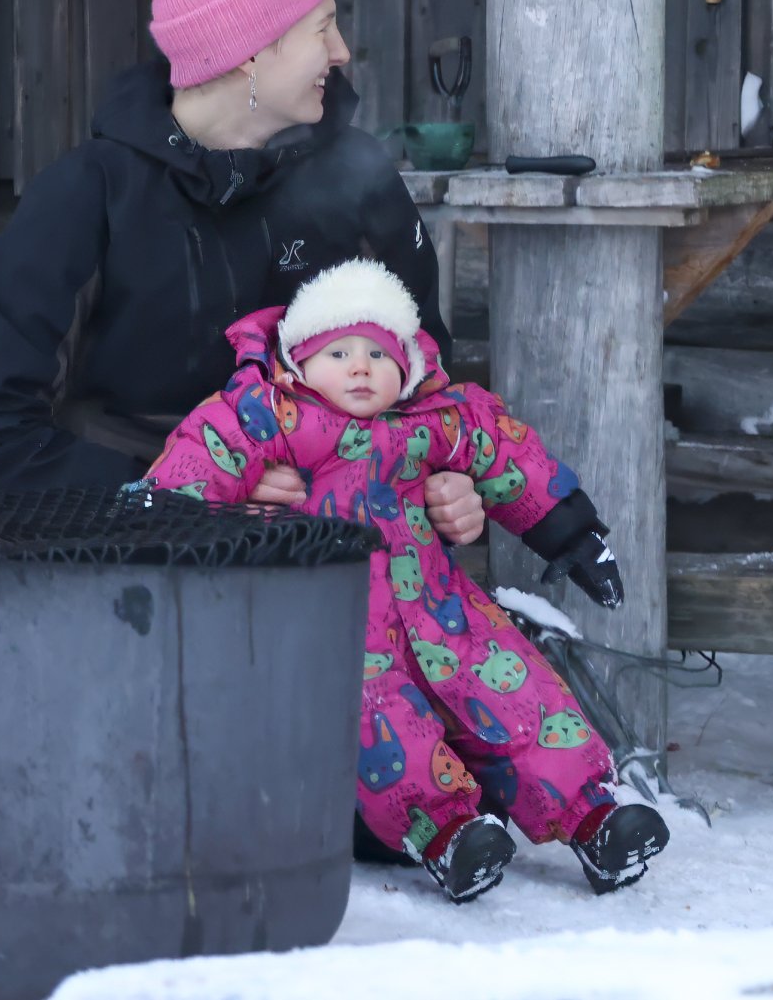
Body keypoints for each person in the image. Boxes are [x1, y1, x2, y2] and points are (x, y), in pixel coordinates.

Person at [0, 0, 486, 544]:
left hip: (343, 564)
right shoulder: (89, 196)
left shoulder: (360, 180)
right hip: (132, 577)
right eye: (324, 28)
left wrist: (446, 479)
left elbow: (427, 388)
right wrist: (187, 497)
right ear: (251, 50)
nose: (340, 52)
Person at [134, 257, 671, 903]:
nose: (359, 366)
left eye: (376, 354)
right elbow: (198, 459)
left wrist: (570, 532)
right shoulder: (272, 415)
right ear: (299, 362)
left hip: (447, 615)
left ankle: (595, 816)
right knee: (384, 731)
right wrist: (151, 534)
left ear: (406, 367)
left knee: (524, 699)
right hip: (340, 630)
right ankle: (448, 833)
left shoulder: (434, 419)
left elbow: (507, 454)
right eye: (338, 350)